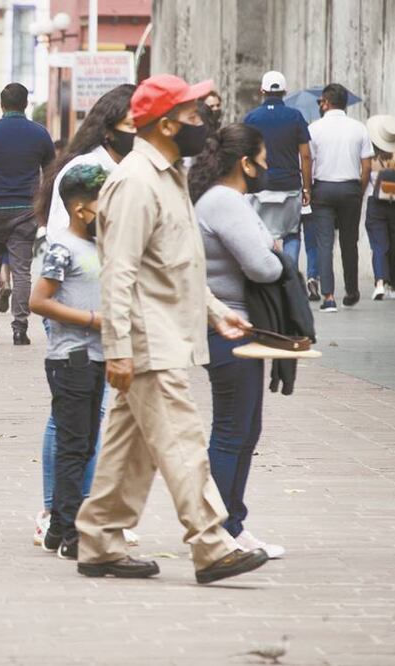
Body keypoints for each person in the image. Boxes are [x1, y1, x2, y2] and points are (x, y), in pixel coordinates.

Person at [74, 74, 269, 585]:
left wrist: (214, 310)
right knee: (182, 442)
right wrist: (118, 348)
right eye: (192, 115)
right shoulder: (136, 181)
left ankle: (98, 541)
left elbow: (174, 265)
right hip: (146, 338)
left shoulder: (167, 175)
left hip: (162, 333)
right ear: (165, 124)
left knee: (127, 447)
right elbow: (119, 273)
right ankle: (211, 544)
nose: (201, 123)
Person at [29, 83, 136, 547]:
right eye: (135, 122)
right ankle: (59, 513)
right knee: (69, 424)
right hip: (74, 315)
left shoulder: (124, 166)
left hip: (97, 316)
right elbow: (62, 250)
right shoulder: (88, 169)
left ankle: (76, 512)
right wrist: (88, 315)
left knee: (87, 423)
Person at [190, 123, 286, 559]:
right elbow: (262, 266)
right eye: (262, 160)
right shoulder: (225, 201)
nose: (266, 167)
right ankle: (217, 526)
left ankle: (232, 521)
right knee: (232, 430)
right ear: (245, 163)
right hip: (227, 327)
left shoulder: (228, 198)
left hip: (240, 327)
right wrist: (277, 252)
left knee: (245, 428)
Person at [28, 164, 108, 561]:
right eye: (104, 203)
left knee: (86, 441)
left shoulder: (99, 246)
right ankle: (72, 530)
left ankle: (60, 525)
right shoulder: (61, 248)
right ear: (81, 210)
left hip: (97, 358)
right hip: (71, 360)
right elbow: (38, 301)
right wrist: (95, 321)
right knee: (75, 446)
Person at [0, 83, 55, 346]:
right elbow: (51, 173)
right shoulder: (40, 134)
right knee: (22, 270)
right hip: (26, 211)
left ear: (2, 105)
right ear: (26, 104)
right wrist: (46, 209)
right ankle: (20, 329)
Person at [309, 83, 374, 312]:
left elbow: (309, 162)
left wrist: (308, 189)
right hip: (350, 189)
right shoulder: (359, 128)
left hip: (323, 189)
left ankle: (328, 297)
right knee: (349, 242)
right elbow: (367, 167)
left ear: (325, 102)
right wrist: (360, 190)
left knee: (324, 243)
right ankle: (351, 290)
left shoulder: (314, 129)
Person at [243, 71, 312, 275]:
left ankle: (268, 276)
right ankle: (289, 278)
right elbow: (306, 156)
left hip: (259, 187)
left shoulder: (251, 117)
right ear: (285, 92)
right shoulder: (295, 117)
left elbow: (244, 153)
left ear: (262, 91)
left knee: (260, 234)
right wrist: (307, 187)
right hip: (290, 186)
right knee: (291, 234)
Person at [364, 115, 395, 300]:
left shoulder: (371, 158)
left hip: (375, 204)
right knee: (393, 244)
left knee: (379, 245)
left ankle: (380, 283)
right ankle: (392, 284)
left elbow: (364, 177)